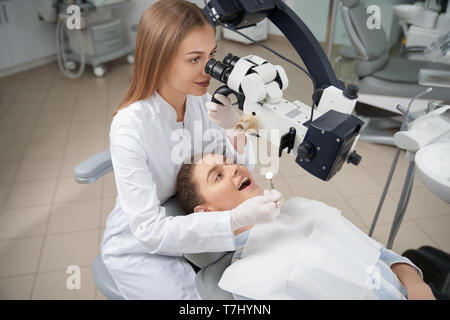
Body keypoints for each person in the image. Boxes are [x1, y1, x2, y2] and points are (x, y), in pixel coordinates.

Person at [100, 0, 281, 300]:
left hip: (199, 224)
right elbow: (149, 231)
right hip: (143, 246)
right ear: (160, 59)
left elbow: (235, 163)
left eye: (211, 56)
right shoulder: (129, 127)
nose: (208, 69)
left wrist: (232, 128)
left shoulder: (199, 100)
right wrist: (232, 220)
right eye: (194, 59)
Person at [175, 152, 437, 300]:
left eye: (229, 162)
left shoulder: (304, 209)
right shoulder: (246, 281)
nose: (233, 169)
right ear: (206, 212)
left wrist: (416, 286)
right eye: (217, 175)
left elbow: (380, 254)